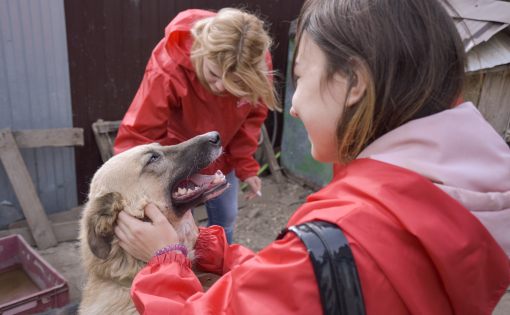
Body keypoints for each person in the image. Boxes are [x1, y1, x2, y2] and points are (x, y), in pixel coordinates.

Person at [114, 0, 510, 314]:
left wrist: (165, 260)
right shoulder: (458, 196)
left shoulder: (332, 242)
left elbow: (302, 274)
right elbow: (301, 283)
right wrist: (213, 250)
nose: (296, 107)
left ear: (352, 82)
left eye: (300, 77)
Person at [113, 8, 280, 244]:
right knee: (178, 231)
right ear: (201, 50)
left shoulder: (255, 65)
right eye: (213, 73)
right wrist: (129, 186)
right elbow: (140, 131)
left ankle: (219, 264)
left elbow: (250, 120)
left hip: (222, 157)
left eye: (235, 82)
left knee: (226, 219)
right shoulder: (169, 64)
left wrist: (246, 165)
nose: (222, 87)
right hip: (177, 160)